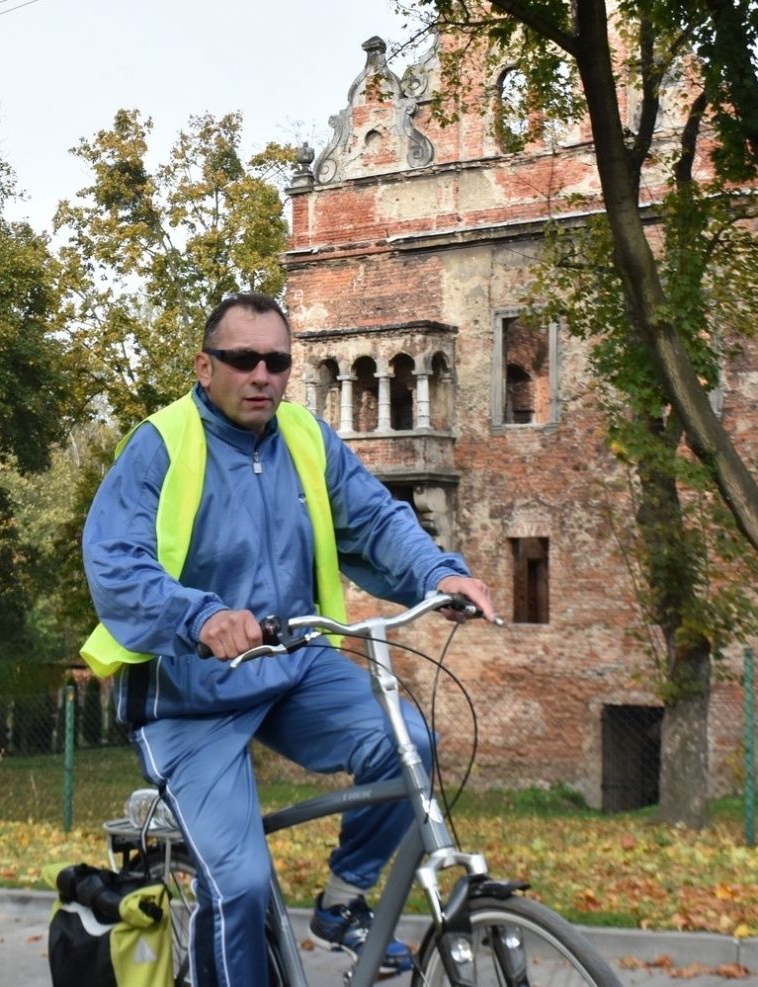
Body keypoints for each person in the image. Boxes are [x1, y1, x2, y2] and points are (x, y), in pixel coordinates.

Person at [82, 292, 495, 986]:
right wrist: (201, 618)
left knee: (409, 747)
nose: (261, 375)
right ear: (204, 365)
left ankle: (342, 898)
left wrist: (438, 572)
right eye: (242, 359)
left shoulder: (306, 436)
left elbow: (375, 518)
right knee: (239, 884)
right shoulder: (162, 443)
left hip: (294, 669)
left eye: (276, 360)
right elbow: (116, 563)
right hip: (191, 695)